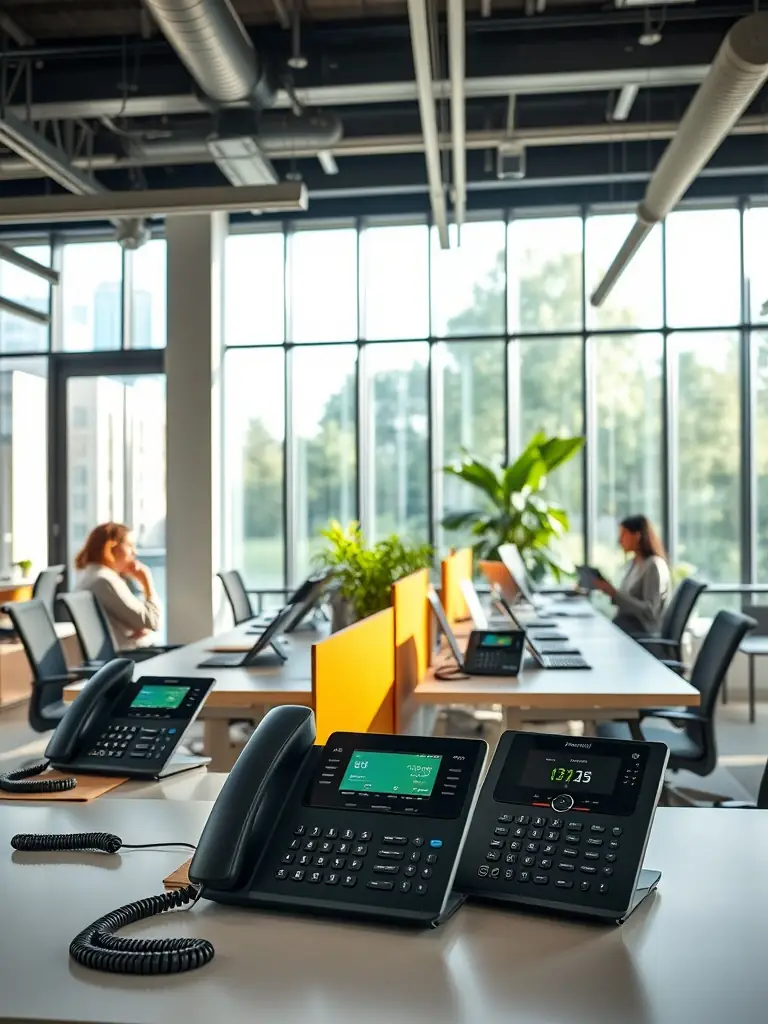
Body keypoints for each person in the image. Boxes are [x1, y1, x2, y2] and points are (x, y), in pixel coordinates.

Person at [74, 522, 161, 650]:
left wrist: (141, 626)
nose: (134, 552)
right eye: (129, 545)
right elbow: (153, 622)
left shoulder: (88, 577)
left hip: (124, 655)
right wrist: (146, 581)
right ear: (111, 547)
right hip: (132, 657)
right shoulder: (105, 580)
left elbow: (145, 623)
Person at [592, 514, 670, 637]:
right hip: (626, 627)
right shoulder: (633, 564)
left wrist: (614, 594)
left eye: (624, 534)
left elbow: (650, 612)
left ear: (637, 536)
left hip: (641, 632)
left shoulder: (653, 565)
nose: (619, 540)